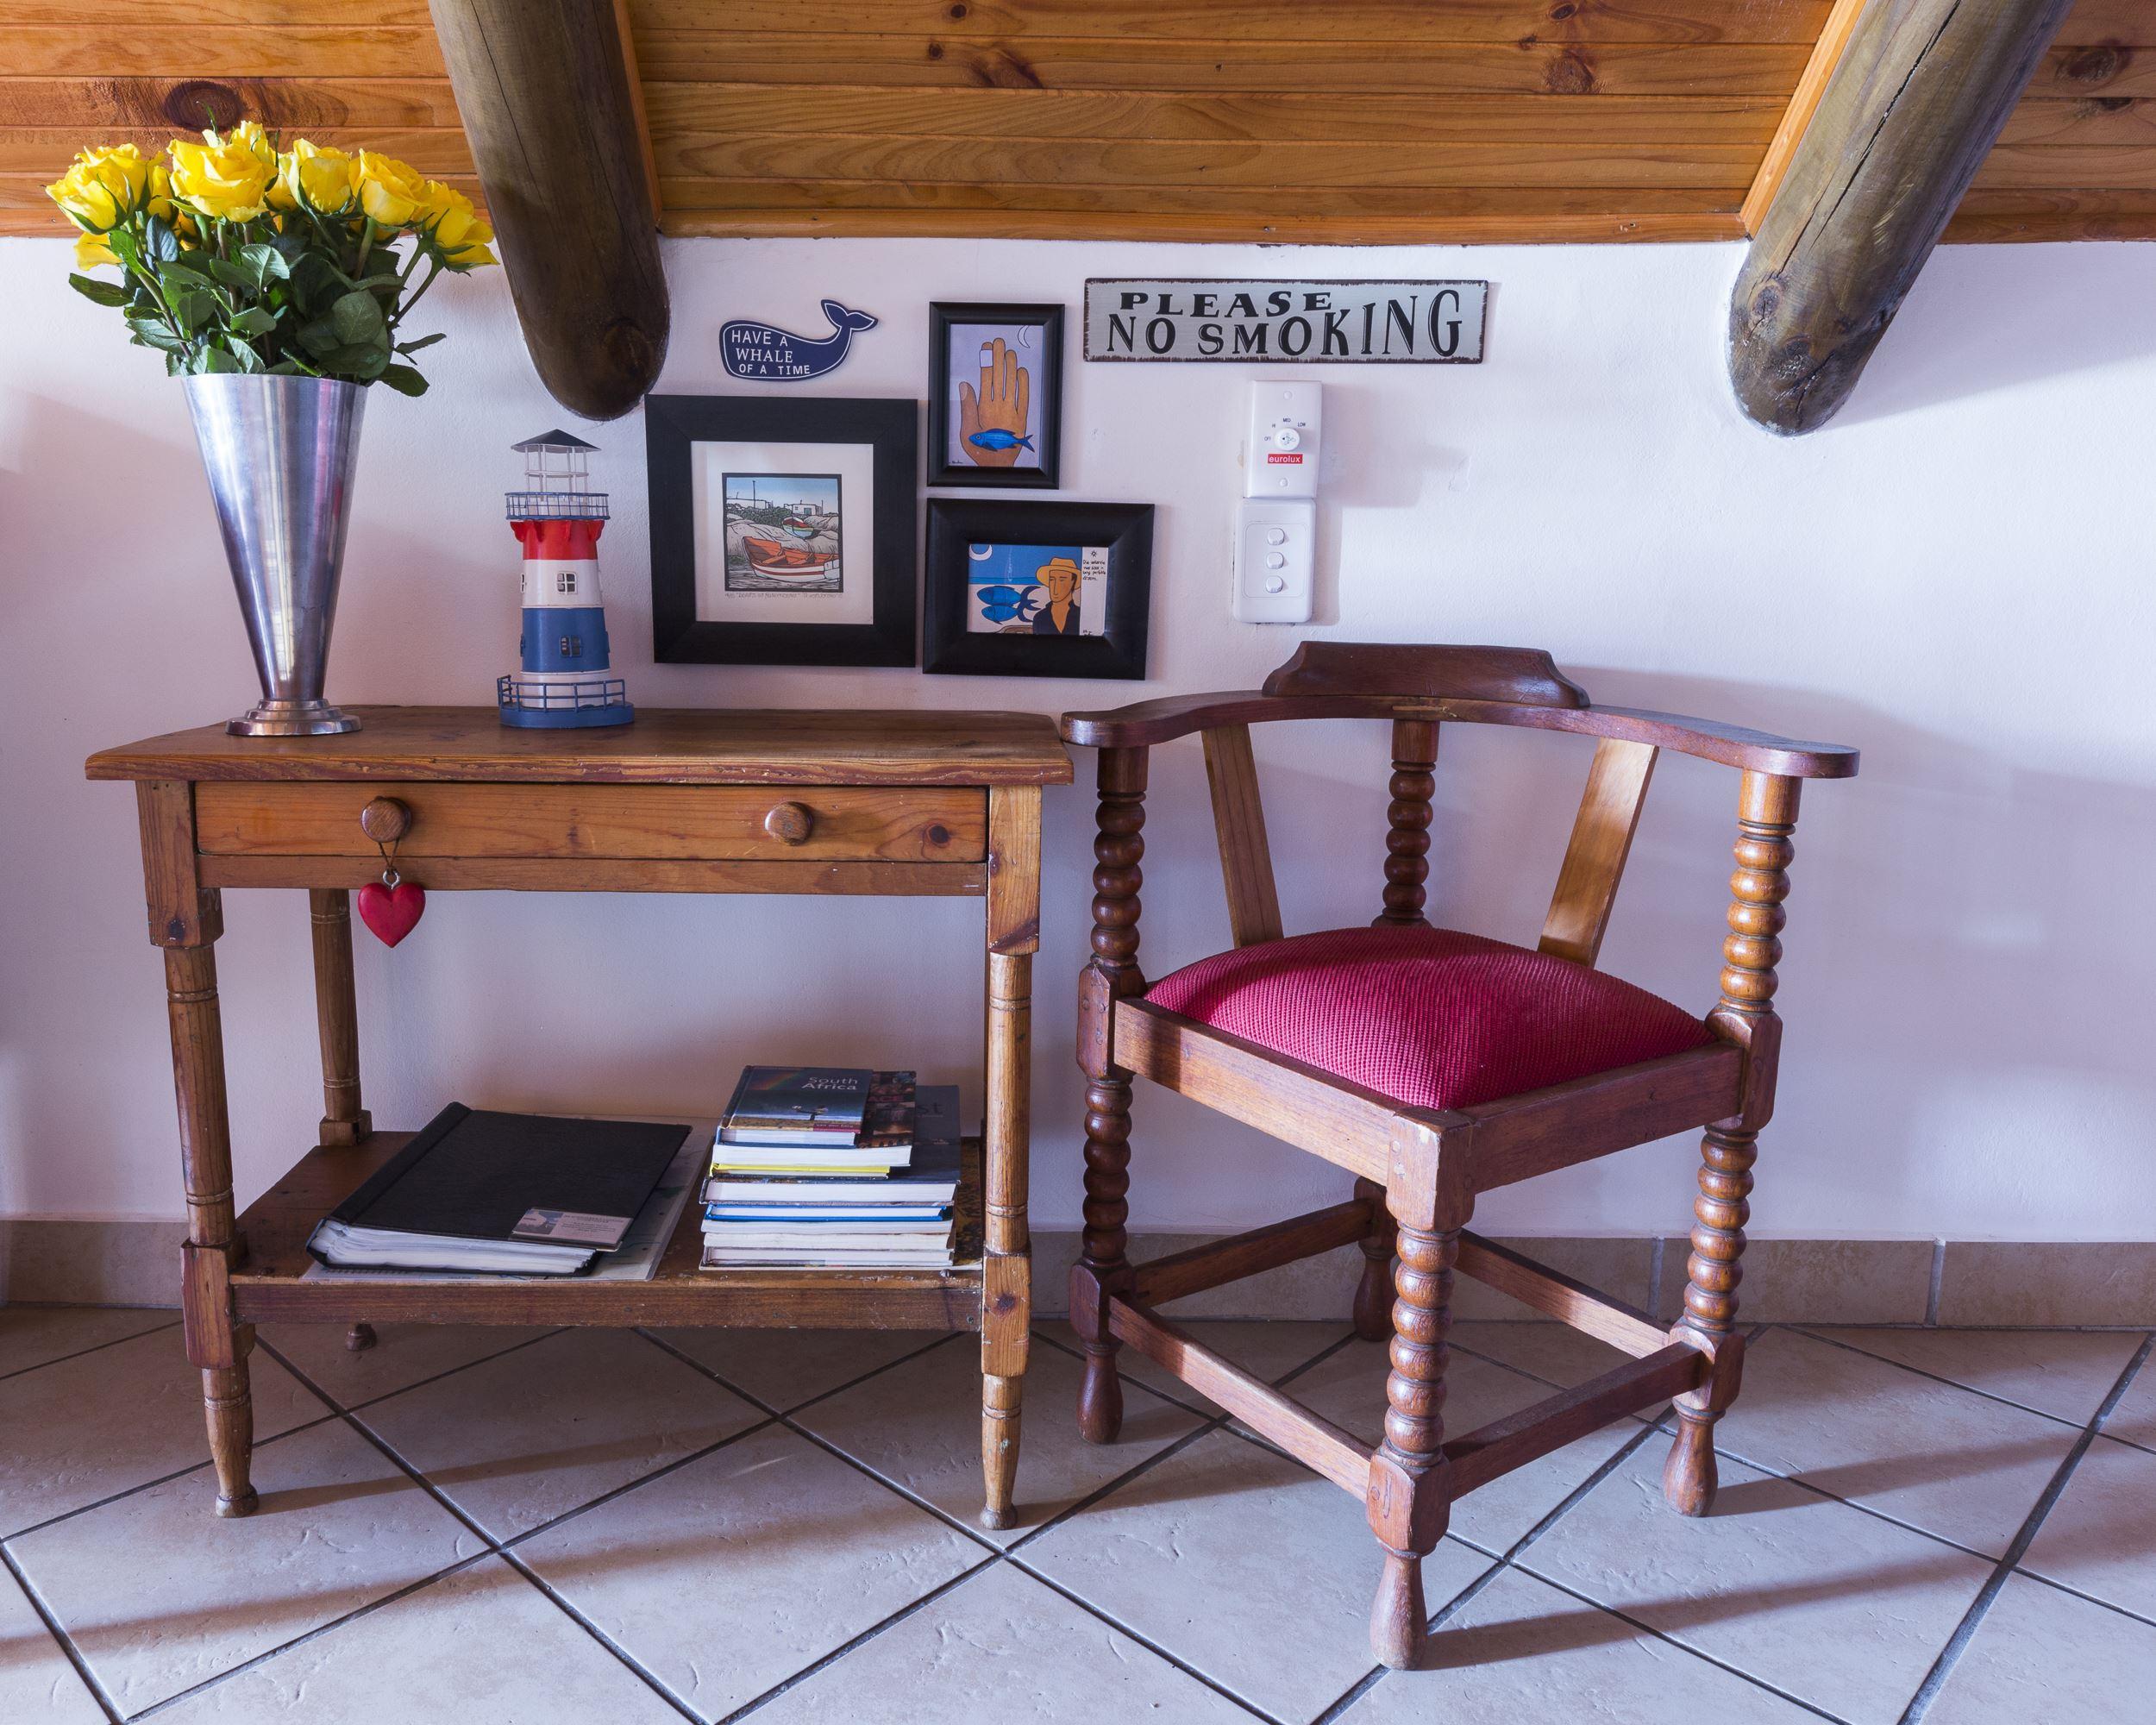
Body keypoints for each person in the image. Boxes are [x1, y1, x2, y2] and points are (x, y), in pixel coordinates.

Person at [1031, 555, 1082, 635]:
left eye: (1062, 580)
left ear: (1073, 582)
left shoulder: (1080, 615)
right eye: (1052, 579)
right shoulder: (1040, 617)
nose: (1055, 587)